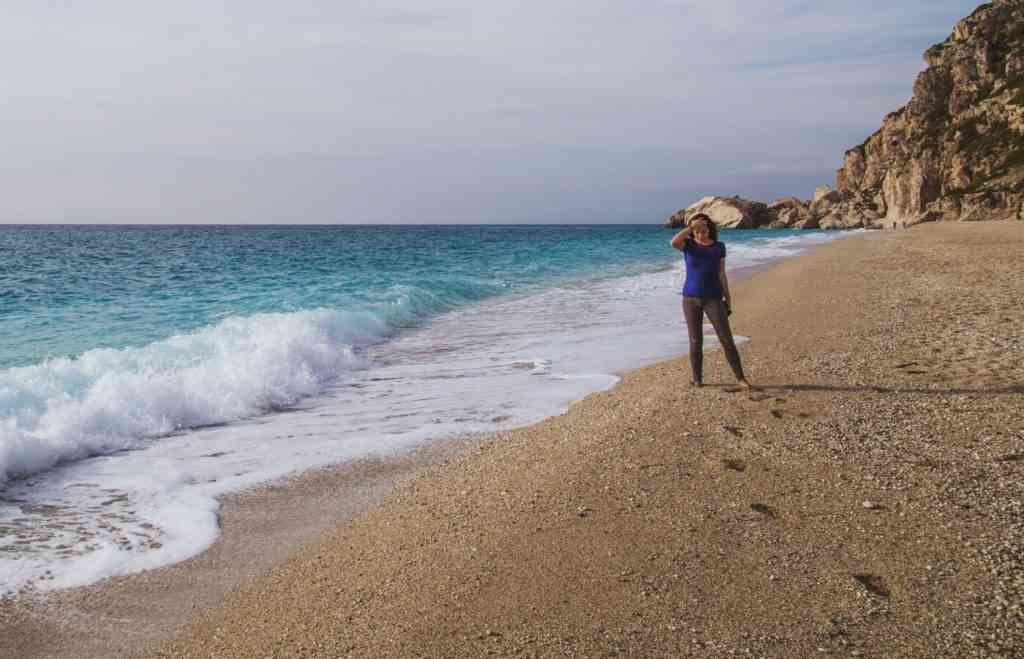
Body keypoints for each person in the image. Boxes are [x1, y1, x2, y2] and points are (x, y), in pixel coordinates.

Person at [670, 214, 752, 388]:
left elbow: (721, 273)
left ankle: (741, 378)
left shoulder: (718, 247)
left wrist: (728, 297)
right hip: (690, 299)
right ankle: (697, 379)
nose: (701, 234)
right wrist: (692, 226)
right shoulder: (688, 245)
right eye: (697, 231)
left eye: (704, 230)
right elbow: (673, 242)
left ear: (710, 229)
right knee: (695, 340)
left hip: (714, 297)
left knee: (726, 339)